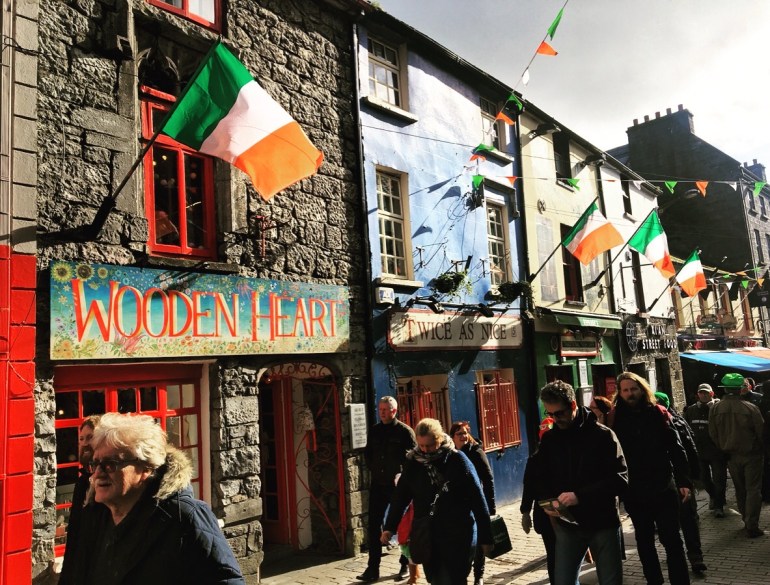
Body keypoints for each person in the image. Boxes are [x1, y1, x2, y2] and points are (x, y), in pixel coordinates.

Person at [62, 412, 244, 584]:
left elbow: (226, 580)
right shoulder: (95, 515)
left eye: (111, 464)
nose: (99, 473)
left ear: (146, 468)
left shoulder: (185, 517)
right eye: (96, 463)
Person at [532, 380, 627, 585]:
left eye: (559, 413)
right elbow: (540, 476)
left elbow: (620, 479)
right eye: (550, 414)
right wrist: (547, 502)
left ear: (573, 405)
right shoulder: (550, 440)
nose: (556, 419)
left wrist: (580, 496)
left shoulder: (603, 435)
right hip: (567, 525)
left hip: (602, 523)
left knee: (610, 581)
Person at [381, 418, 493, 585]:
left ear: (439, 439)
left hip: (458, 534)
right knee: (435, 579)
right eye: (422, 446)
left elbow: (477, 499)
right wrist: (389, 528)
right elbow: (400, 498)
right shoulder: (413, 463)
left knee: (454, 579)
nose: (426, 451)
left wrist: (486, 537)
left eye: (430, 445)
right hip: (428, 534)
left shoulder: (457, 460)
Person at [609, 372, 692, 585]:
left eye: (633, 389)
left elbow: (676, 448)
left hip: (663, 486)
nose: (630, 394)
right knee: (644, 542)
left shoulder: (657, 413)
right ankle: (654, 581)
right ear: (620, 393)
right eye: (625, 390)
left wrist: (684, 481)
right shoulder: (614, 417)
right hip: (635, 490)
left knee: (672, 539)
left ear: (642, 389)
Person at [359, 396, 417, 583]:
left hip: (398, 487)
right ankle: (373, 568)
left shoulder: (404, 432)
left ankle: (404, 565)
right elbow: (368, 455)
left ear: (394, 411)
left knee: (402, 526)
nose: (382, 412)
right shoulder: (375, 431)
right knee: (374, 525)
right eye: (380, 408)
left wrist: (401, 475)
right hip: (378, 484)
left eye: (386, 409)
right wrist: (376, 470)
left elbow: (412, 459)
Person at [655, 392, 707, 574]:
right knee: (688, 520)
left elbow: (689, 450)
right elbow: (692, 449)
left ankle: (690, 556)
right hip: (678, 480)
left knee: (679, 520)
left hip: (673, 481)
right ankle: (694, 557)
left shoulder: (671, 423)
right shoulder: (678, 421)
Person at [709, 372, 765, 538]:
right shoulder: (751, 408)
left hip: (730, 455)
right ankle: (751, 524)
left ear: (725, 388)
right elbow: (761, 432)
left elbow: (712, 433)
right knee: (753, 489)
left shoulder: (715, 408)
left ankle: (745, 519)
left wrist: (722, 448)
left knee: (740, 489)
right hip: (752, 454)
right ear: (741, 389)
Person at [449, 421, 496, 585]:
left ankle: (479, 575)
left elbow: (488, 478)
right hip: (458, 505)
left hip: (476, 501)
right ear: (452, 437)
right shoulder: (450, 454)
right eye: (459, 434)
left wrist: (490, 506)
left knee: (480, 537)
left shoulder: (476, 452)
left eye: (464, 433)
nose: (462, 436)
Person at [59, 415, 101, 585]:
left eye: (90, 437)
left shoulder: (109, 483)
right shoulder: (82, 483)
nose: (84, 443)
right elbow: (74, 537)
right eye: (81, 438)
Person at [684, 383, 727, 517]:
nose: (704, 395)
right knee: (704, 479)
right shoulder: (691, 410)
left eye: (706, 393)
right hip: (699, 452)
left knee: (719, 479)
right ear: (698, 394)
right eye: (701, 393)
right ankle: (714, 497)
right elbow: (686, 428)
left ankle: (719, 507)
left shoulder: (718, 408)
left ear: (712, 394)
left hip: (716, 451)